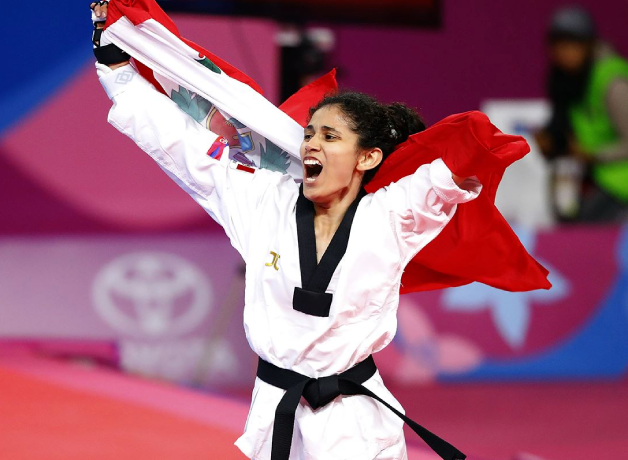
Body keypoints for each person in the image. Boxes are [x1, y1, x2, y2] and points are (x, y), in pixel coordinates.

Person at [91, 3, 480, 459]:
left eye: (330, 137)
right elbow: (185, 146)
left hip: (355, 425)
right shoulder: (262, 200)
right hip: (276, 410)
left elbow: (452, 169)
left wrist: (473, 158)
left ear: (368, 158)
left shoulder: (391, 215)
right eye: (310, 134)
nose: (312, 143)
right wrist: (118, 71)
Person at [536, 6, 628, 222]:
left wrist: (594, 155)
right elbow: (567, 128)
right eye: (558, 45)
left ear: (589, 45)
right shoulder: (565, 80)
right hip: (588, 176)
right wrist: (550, 142)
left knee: (586, 225)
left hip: (619, 181)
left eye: (572, 44)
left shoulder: (613, 82)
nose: (564, 53)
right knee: (565, 212)